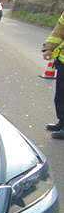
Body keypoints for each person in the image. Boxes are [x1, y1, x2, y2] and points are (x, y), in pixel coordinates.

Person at [43, 11, 64, 139]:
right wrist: (48, 48)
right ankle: (62, 122)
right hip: (62, 61)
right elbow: (58, 32)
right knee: (60, 96)